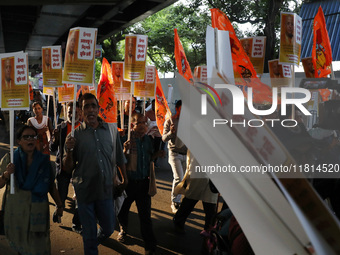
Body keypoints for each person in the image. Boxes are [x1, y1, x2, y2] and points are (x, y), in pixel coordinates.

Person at [63, 93, 128, 255]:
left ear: (98, 109)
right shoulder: (74, 136)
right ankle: (91, 244)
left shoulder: (111, 131)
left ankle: (93, 241)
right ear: (81, 110)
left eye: (93, 106)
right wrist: (69, 151)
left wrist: (125, 180)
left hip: (106, 191)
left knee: (108, 227)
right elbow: (67, 168)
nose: (90, 109)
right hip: (84, 192)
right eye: (86, 106)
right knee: (89, 234)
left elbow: (119, 158)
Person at [0, 125, 63, 255]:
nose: (30, 139)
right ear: (19, 141)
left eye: (33, 136)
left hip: (38, 214)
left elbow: (51, 186)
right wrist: (6, 174)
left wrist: (59, 205)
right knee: (20, 248)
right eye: (26, 137)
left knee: (37, 248)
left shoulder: (44, 162)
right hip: (16, 214)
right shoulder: (9, 159)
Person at [117, 113, 160, 254]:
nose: (142, 125)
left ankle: (150, 246)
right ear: (132, 125)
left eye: (144, 122)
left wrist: (156, 155)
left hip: (143, 184)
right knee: (123, 210)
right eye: (138, 123)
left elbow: (149, 158)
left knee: (145, 217)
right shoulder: (125, 138)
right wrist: (124, 150)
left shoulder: (148, 140)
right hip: (128, 183)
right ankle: (123, 229)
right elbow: (118, 161)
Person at [50, 101, 82, 233]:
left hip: (79, 170)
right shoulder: (61, 127)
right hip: (63, 168)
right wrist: (55, 138)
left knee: (80, 198)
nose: (72, 114)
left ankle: (77, 223)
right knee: (61, 195)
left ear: (80, 113)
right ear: (66, 112)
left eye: (75, 112)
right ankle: (59, 211)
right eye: (69, 112)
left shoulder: (84, 129)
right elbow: (53, 148)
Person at [173, 151, 218, 236]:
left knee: (210, 205)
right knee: (191, 199)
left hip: (213, 173)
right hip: (199, 171)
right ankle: (178, 221)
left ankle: (208, 230)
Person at [162, 100, 187, 213]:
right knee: (179, 178)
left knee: (186, 180)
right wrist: (171, 133)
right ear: (177, 108)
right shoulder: (170, 121)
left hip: (187, 154)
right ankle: (175, 201)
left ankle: (181, 200)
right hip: (174, 153)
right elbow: (164, 138)